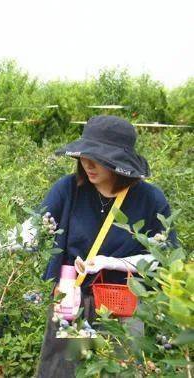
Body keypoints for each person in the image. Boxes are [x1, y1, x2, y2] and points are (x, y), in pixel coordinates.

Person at [31, 115, 177, 377]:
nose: (87, 163)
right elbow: (35, 226)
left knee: (119, 368)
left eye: (98, 158)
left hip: (123, 307)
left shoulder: (150, 199)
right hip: (72, 303)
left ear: (118, 162)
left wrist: (110, 262)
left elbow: (163, 257)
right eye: (85, 155)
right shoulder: (69, 188)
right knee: (64, 371)